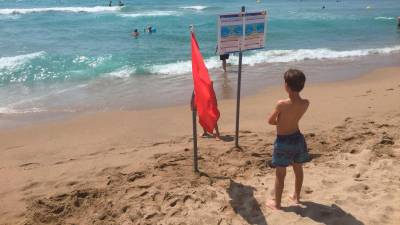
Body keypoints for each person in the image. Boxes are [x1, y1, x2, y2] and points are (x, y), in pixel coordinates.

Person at [266, 69, 311, 210]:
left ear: (286, 85)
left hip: (283, 141)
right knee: (298, 169)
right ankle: (296, 197)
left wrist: (279, 122)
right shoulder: (305, 103)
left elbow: (270, 121)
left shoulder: (281, 104)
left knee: (280, 173)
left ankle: (277, 204)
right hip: (297, 138)